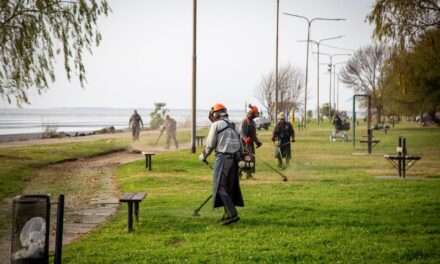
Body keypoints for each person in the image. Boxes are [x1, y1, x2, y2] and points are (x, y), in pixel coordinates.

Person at [199, 103, 244, 225]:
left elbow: (210, 144)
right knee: (229, 188)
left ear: (216, 114)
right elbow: (241, 144)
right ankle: (226, 215)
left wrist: (203, 156)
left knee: (220, 188)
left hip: (223, 159)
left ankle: (232, 214)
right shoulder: (234, 125)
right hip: (235, 160)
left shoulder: (216, 125)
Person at [239, 105, 262, 179]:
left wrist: (257, 142)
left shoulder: (253, 123)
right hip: (243, 144)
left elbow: (253, 135)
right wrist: (245, 139)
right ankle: (239, 173)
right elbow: (241, 133)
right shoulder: (244, 121)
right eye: (254, 115)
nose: (255, 117)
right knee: (244, 158)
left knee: (251, 159)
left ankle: (249, 174)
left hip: (250, 144)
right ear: (250, 114)